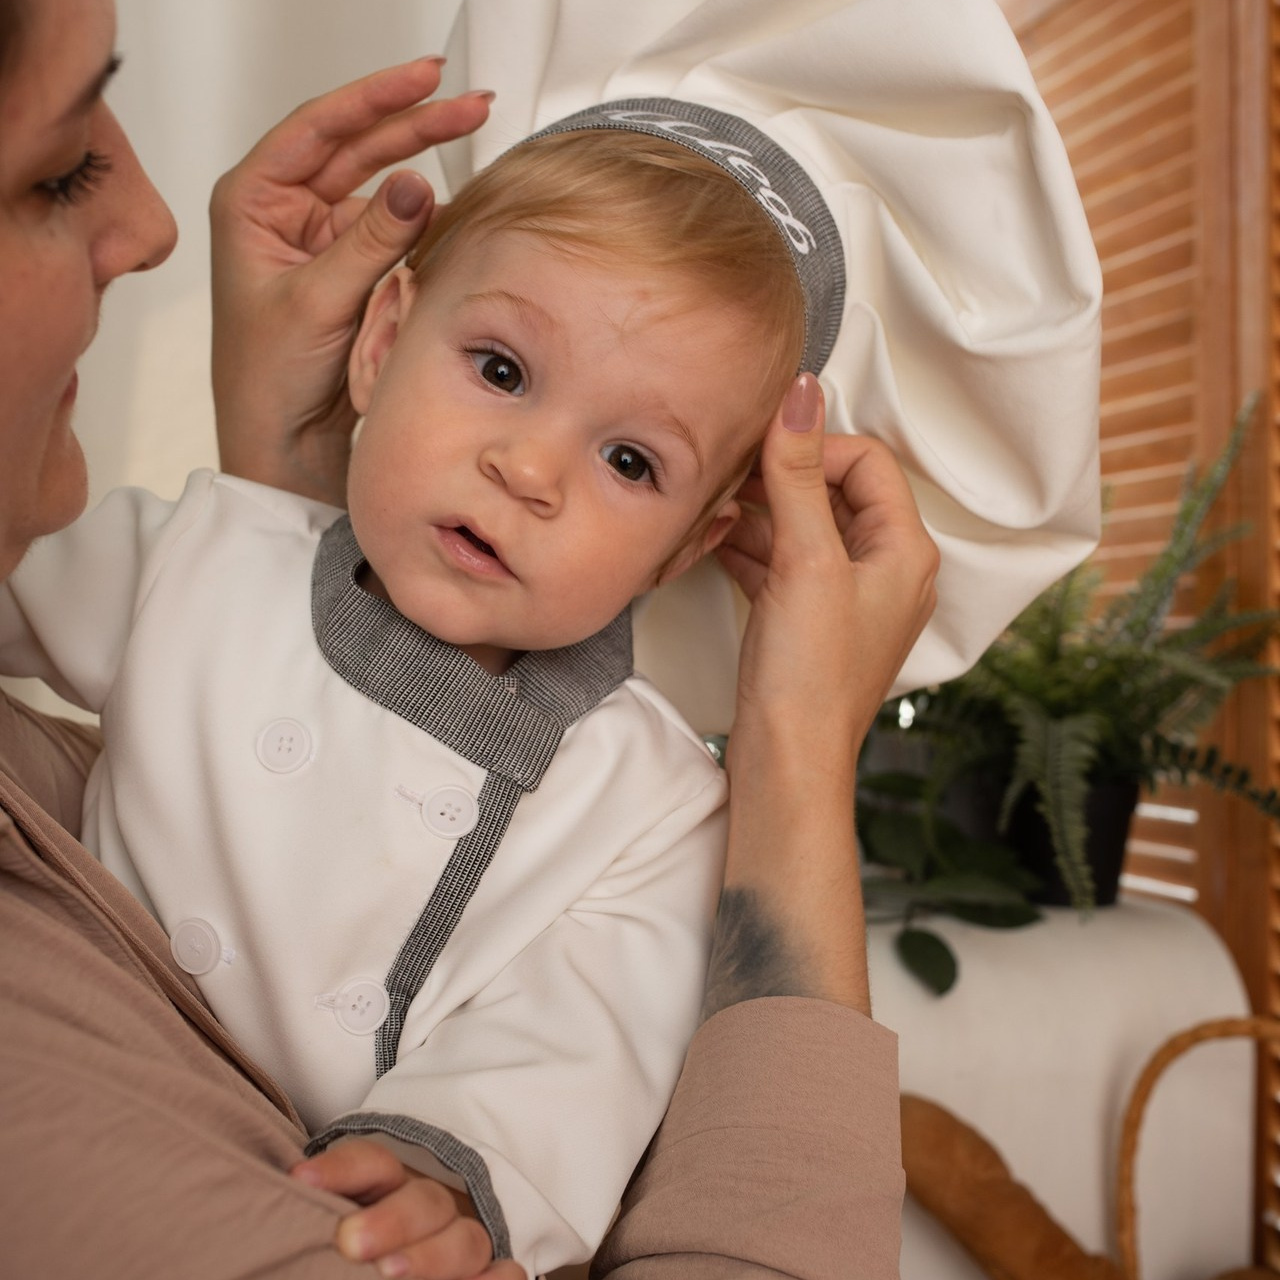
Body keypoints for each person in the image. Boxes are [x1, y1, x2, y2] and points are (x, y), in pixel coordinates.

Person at [0, 0, 937, 1276]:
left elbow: (579, 1039)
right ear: (382, 343)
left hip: (329, 1187)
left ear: (687, 543)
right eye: (500, 369)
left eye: (627, 458)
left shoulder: (652, 798)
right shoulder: (207, 549)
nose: (529, 467)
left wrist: (449, 1156)